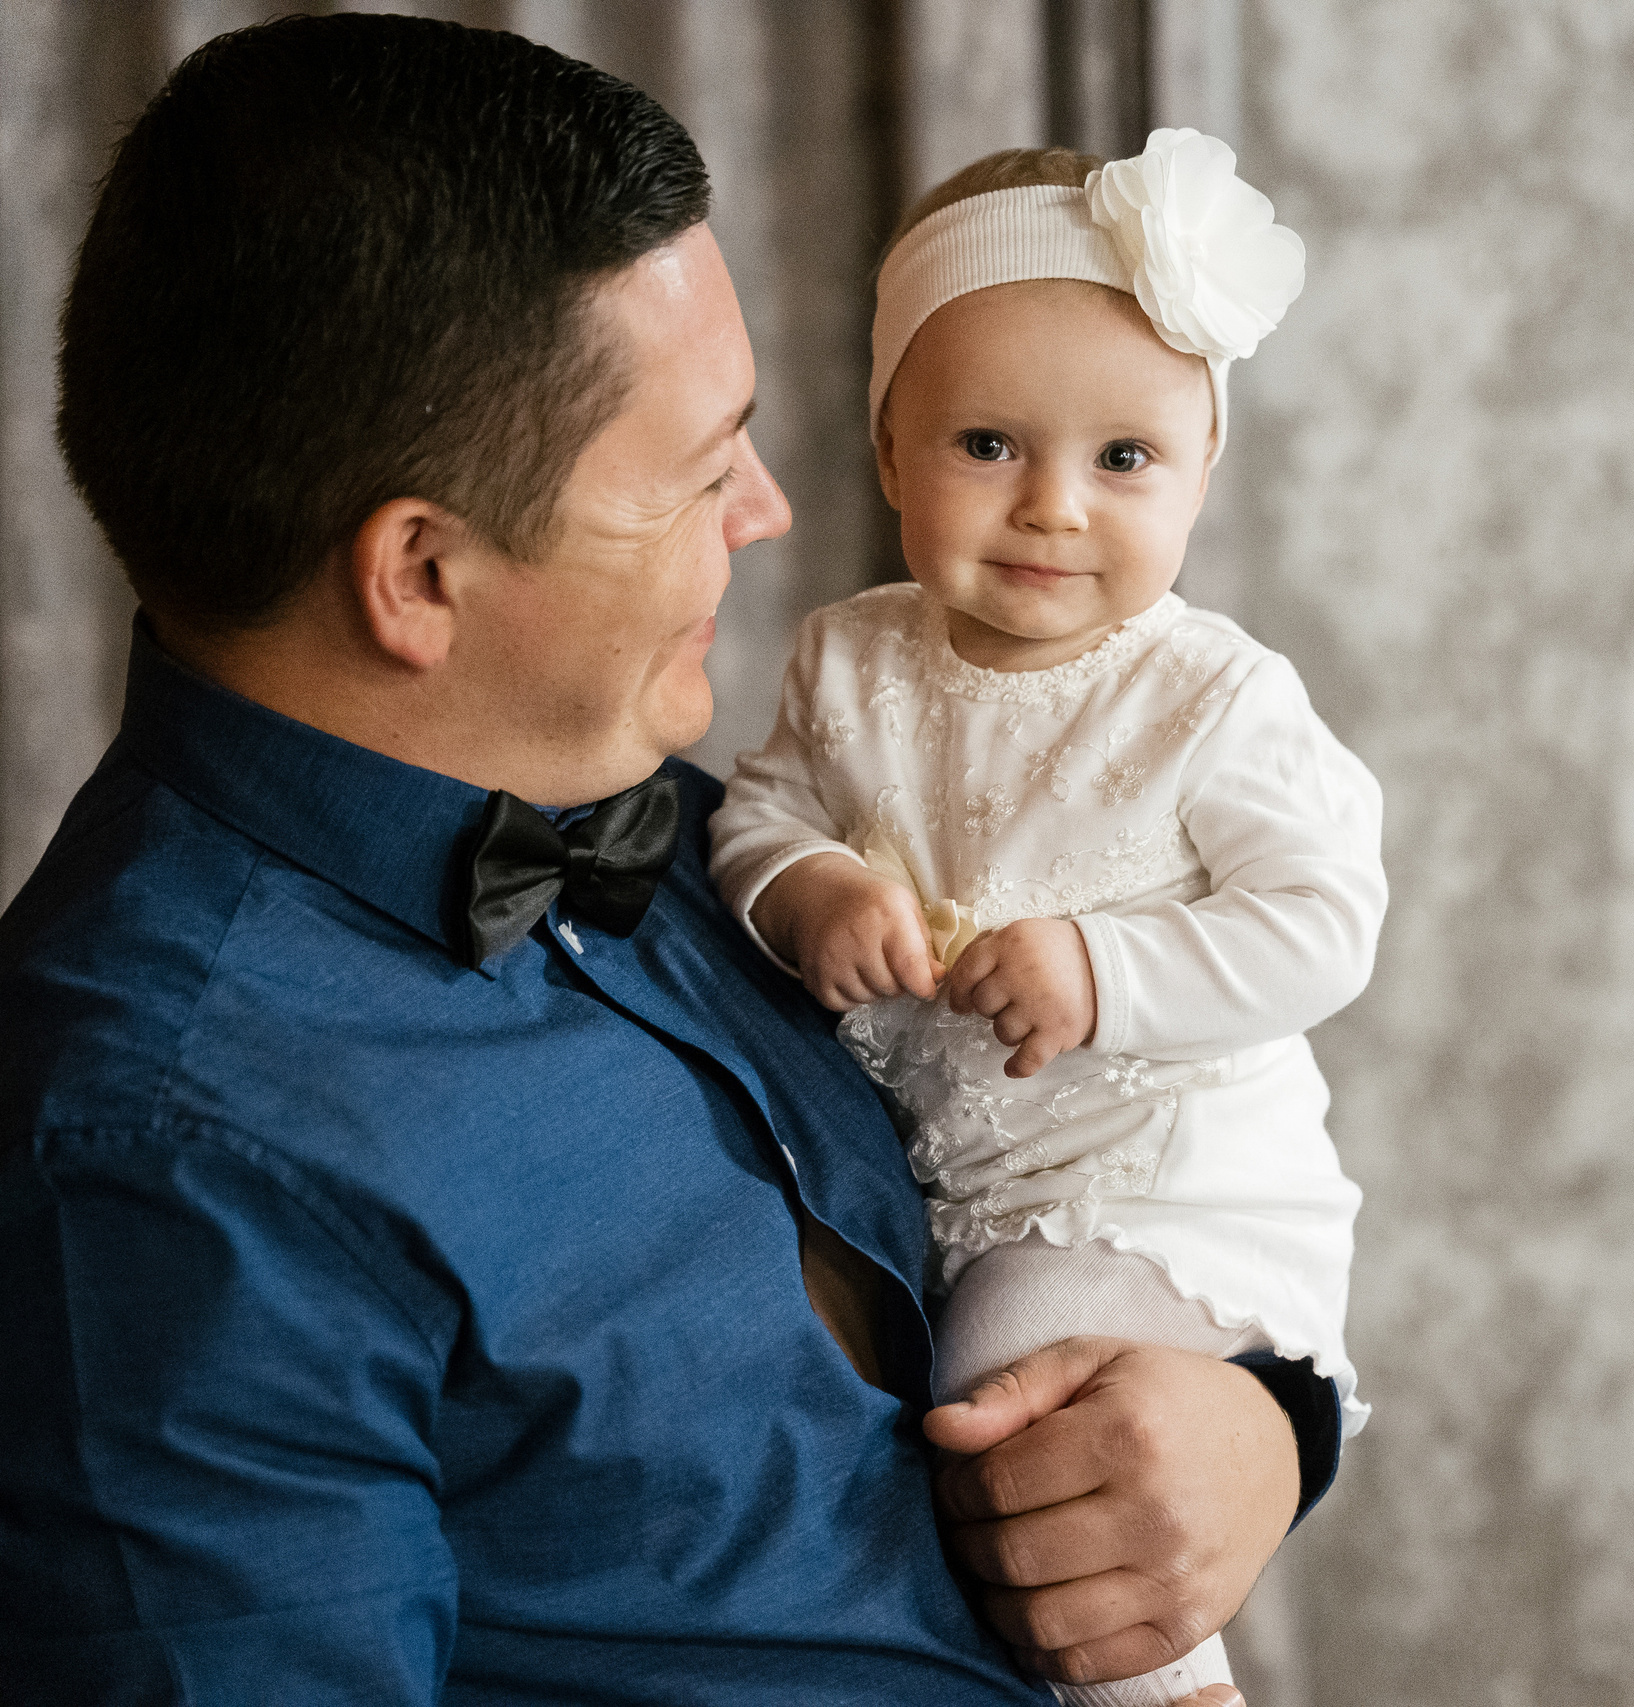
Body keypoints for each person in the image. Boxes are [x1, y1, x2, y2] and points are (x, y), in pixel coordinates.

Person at [0, 16, 1333, 1705]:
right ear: (420, 574)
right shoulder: (162, 1163)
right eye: (702, 470)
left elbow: (1094, 1186)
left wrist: (1253, 1432)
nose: (769, 510)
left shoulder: (717, 826)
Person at [709, 133, 1384, 1707]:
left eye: (1124, 460)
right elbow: (755, 819)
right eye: (990, 444)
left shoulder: (1211, 702)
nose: (1053, 511)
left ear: (1203, 467)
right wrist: (810, 890)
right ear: (888, 450)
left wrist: (1107, 966)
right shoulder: (847, 663)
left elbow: (1324, 922)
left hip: (1164, 1186)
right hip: (970, 1177)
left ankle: (1174, 1687)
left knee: (1013, 1401)